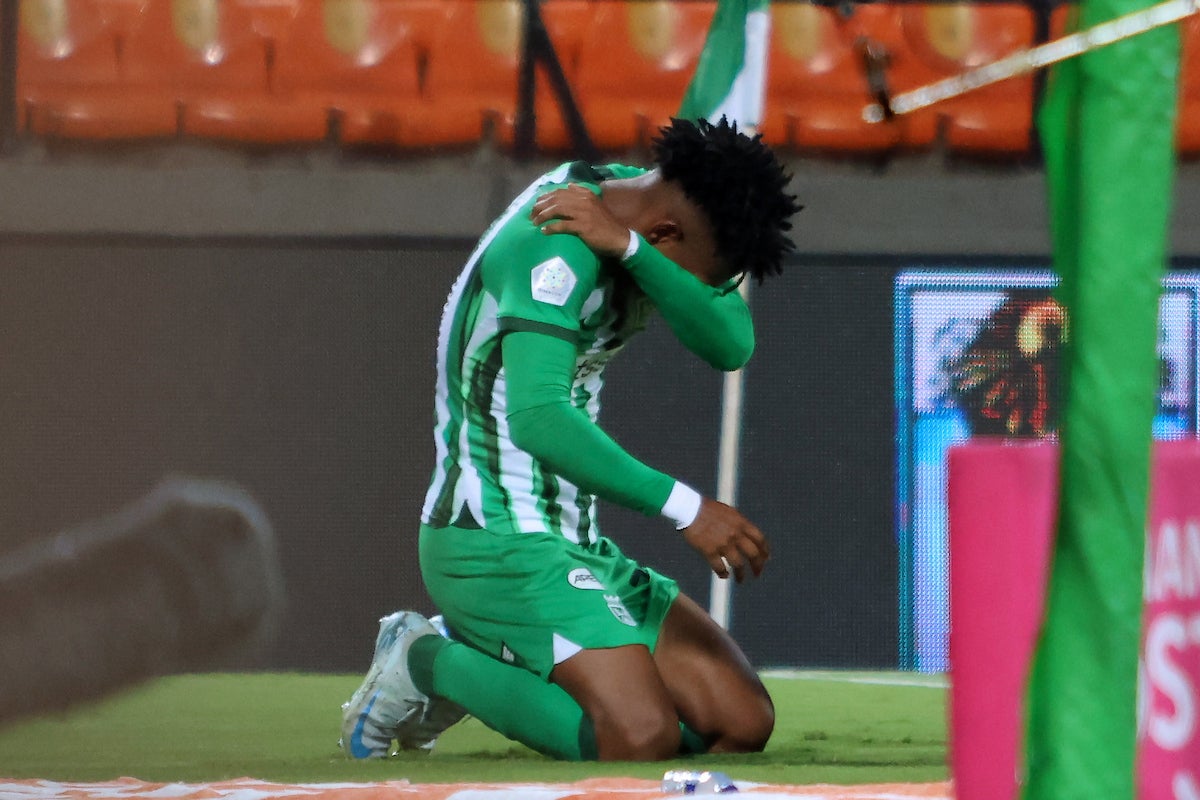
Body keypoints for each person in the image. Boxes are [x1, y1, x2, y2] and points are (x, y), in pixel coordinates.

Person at [340, 117, 801, 762]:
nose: (697, 293)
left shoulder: (629, 208)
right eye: (703, 276)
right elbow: (538, 419)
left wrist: (635, 251)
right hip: (491, 540)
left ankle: (511, 655)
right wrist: (688, 509)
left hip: (573, 540)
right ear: (669, 231)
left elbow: (732, 343)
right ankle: (424, 660)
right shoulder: (554, 242)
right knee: (639, 737)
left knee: (741, 722)